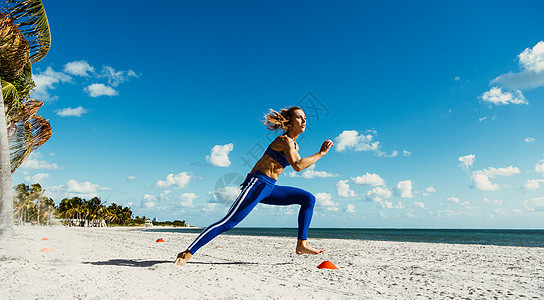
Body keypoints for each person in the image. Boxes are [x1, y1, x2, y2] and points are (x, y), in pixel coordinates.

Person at [174, 106, 333, 266]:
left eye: (305, 117)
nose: (304, 120)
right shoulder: (284, 140)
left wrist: (249, 174)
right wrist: (321, 153)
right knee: (228, 222)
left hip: (269, 187)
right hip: (258, 184)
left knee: (308, 199)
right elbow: (298, 165)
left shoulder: (294, 145)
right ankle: (187, 253)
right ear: (290, 122)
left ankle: (301, 244)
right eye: (299, 117)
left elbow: (265, 158)